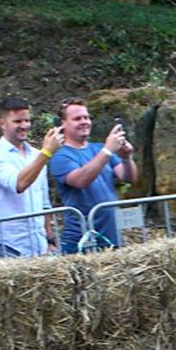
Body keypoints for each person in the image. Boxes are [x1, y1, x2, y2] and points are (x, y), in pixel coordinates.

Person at [50, 99, 138, 252]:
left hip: (111, 235)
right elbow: (80, 180)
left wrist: (126, 157)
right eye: (77, 118)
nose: (84, 122)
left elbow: (128, 177)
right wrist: (108, 151)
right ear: (63, 124)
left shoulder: (99, 148)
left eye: (86, 117)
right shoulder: (60, 156)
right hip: (81, 240)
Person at [0, 98, 63, 258]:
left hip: (39, 246)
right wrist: (46, 153)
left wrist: (50, 239)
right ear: (2, 123)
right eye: (18, 121)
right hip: (8, 246)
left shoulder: (36, 154)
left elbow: (44, 203)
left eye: (27, 120)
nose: (24, 125)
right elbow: (19, 184)